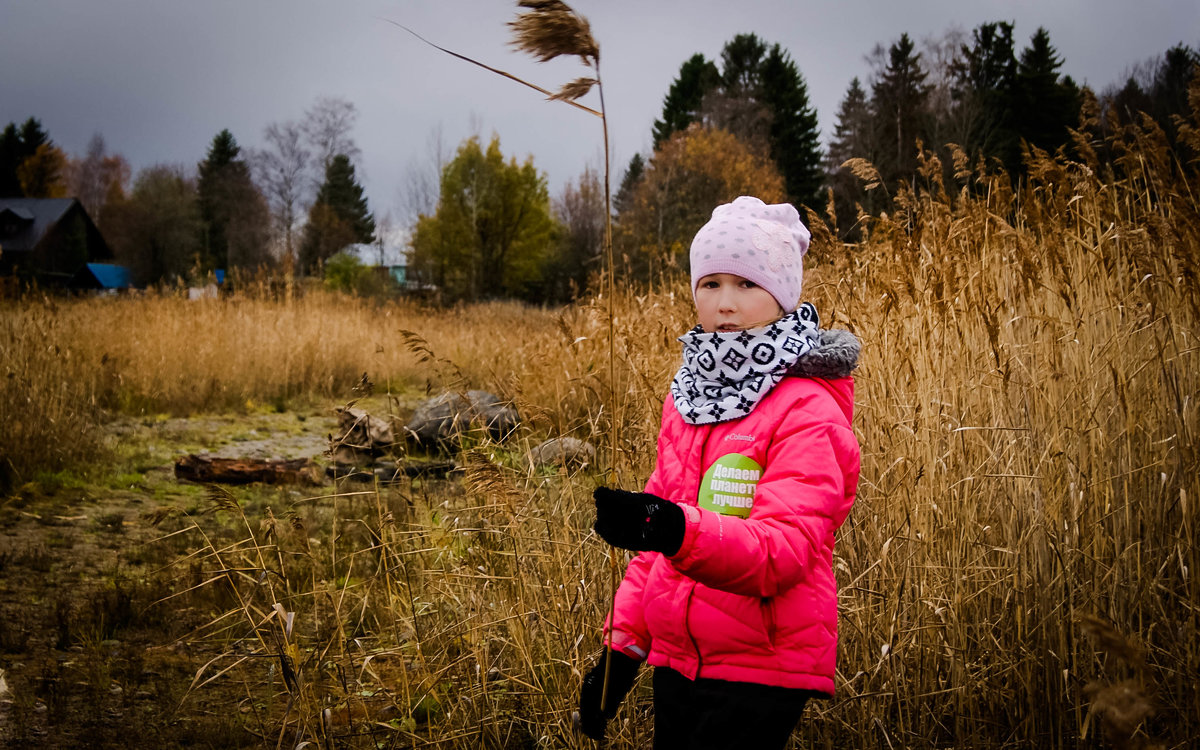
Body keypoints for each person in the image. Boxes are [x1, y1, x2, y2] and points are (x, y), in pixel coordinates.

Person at [576, 196, 861, 749]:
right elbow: (654, 551)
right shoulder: (691, 398)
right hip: (680, 657)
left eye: (746, 285)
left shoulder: (808, 409)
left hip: (761, 664)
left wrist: (672, 526)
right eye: (710, 284)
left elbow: (783, 551)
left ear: (781, 294)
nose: (725, 304)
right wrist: (621, 654)